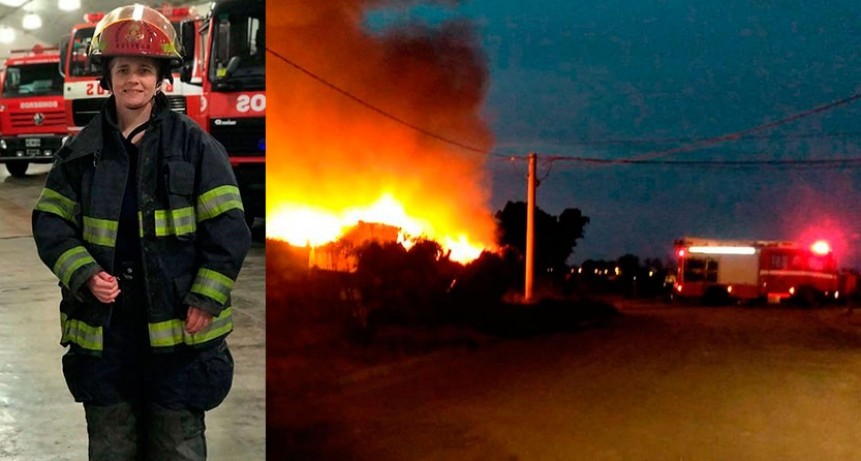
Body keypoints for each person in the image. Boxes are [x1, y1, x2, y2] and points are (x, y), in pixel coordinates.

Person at [31, 4, 251, 460]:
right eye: (124, 68)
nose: (134, 79)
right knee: (111, 446)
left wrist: (206, 299)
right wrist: (85, 272)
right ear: (106, 77)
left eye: (145, 70)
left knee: (177, 446)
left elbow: (229, 229)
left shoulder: (196, 146)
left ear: (160, 79)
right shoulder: (79, 152)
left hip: (178, 336)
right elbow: (51, 222)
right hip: (107, 335)